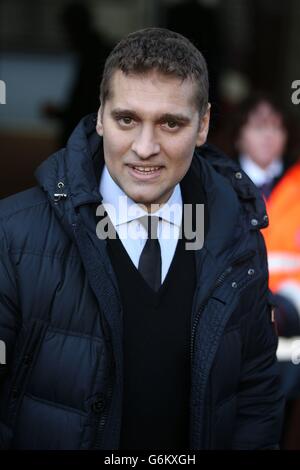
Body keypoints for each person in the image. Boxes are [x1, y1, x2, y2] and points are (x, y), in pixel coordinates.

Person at [0, 28, 284, 450]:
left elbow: (256, 389)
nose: (145, 147)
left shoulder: (238, 235)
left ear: (203, 124)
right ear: (99, 116)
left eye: (171, 123)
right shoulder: (14, 233)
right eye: (127, 119)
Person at [235, 96, 300, 337]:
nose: (268, 135)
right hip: (237, 308)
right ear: (239, 134)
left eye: (276, 126)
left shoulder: (297, 182)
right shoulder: (218, 184)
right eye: (259, 126)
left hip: (292, 310)